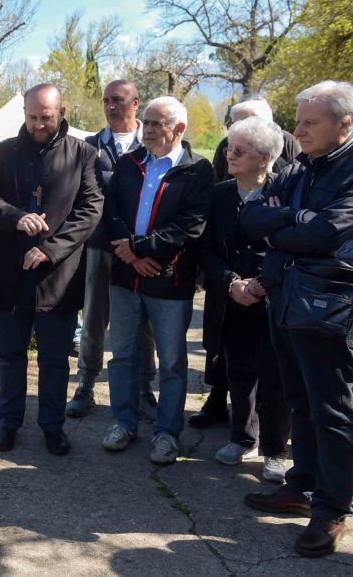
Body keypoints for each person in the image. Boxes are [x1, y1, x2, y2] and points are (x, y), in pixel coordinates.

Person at [241, 80, 353, 558]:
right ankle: (302, 485)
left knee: (333, 411)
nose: (298, 131)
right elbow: (250, 219)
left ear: (344, 125)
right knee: (300, 400)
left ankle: (330, 510)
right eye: (298, 121)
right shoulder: (298, 167)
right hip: (286, 300)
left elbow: (328, 232)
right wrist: (297, 219)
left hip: (329, 307)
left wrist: (284, 221)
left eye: (310, 123)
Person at [0, 84, 103, 455]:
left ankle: (52, 426)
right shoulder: (4, 152)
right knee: (10, 356)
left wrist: (49, 250)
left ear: (61, 113)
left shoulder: (83, 154)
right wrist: (15, 217)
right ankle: (8, 422)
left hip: (58, 277)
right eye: (32, 117)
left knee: (55, 359)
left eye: (45, 117)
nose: (38, 124)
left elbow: (90, 210)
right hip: (9, 273)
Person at [101, 95, 214, 465]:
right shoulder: (129, 163)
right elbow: (111, 212)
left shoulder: (198, 170)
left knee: (171, 363)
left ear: (178, 129)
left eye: (155, 124)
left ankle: (167, 433)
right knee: (122, 357)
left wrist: (140, 249)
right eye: (145, 122)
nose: (146, 129)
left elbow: (190, 226)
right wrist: (131, 254)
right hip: (125, 278)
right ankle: (124, 422)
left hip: (169, 281)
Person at [194, 97, 301, 429]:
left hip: (271, 297)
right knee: (234, 367)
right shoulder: (219, 194)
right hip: (228, 297)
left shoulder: (286, 194)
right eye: (229, 148)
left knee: (273, 372)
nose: (229, 155)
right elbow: (206, 247)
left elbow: (291, 246)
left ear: (265, 158)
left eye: (239, 151)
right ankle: (242, 435)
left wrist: (259, 283)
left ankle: (272, 441)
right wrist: (230, 282)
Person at [68, 80, 158, 420]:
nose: (110, 107)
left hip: (140, 249)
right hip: (100, 246)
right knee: (93, 319)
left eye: (118, 100)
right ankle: (85, 385)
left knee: (142, 322)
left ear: (136, 103)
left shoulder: (152, 145)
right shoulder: (90, 146)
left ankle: (144, 388)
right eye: (106, 100)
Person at [211, 97, 300, 182]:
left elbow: (298, 176)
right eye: (234, 123)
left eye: (245, 123)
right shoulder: (225, 143)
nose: (231, 156)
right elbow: (216, 178)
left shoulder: (287, 141)